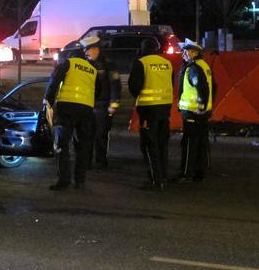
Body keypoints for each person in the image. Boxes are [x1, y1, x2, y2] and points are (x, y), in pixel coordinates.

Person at [44, 36, 101, 191]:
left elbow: (54, 82)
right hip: (86, 111)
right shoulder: (93, 70)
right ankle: (80, 180)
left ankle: (64, 181)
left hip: (67, 110)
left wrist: (47, 101)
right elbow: (98, 92)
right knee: (82, 147)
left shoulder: (68, 63)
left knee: (62, 145)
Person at [128, 38, 174, 191]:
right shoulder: (167, 63)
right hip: (165, 109)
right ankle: (163, 177)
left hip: (148, 110)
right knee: (162, 144)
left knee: (149, 145)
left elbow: (135, 88)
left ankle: (156, 180)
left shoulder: (141, 62)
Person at [177, 38, 213, 182]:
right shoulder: (204, 65)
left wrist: (200, 105)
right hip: (202, 113)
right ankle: (200, 172)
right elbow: (213, 86)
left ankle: (186, 174)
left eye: (185, 52)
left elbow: (202, 87)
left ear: (193, 52)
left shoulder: (193, 68)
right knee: (201, 142)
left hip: (193, 112)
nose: (183, 55)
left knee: (190, 143)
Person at [86, 37, 121, 171]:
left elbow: (115, 85)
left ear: (96, 49)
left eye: (88, 50)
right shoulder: (87, 63)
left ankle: (101, 162)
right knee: (87, 135)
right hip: (88, 105)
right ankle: (87, 162)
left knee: (101, 135)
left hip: (103, 105)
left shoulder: (108, 64)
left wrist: (114, 104)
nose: (87, 53)